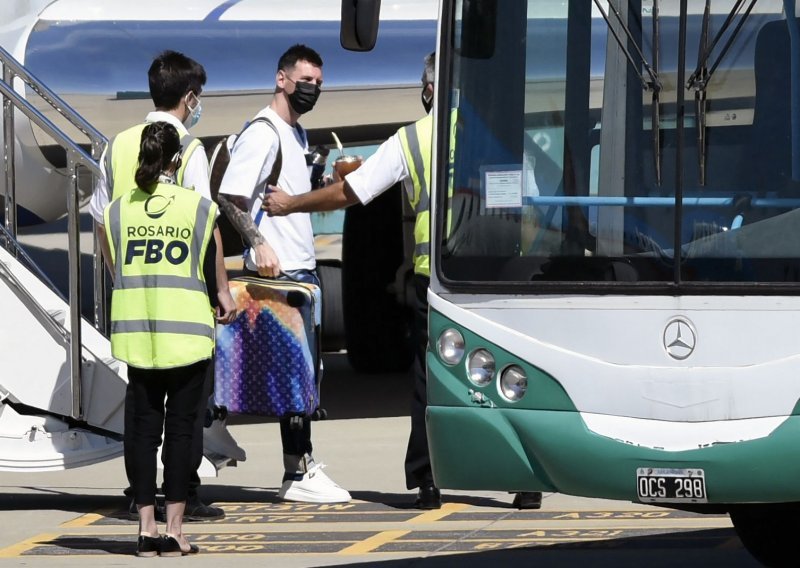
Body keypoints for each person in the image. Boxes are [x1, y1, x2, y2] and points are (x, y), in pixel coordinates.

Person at [263, 52, 544, 510]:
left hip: (434, 280)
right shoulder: (501, 133)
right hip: (494, 276)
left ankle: (427, 480)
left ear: (430, 89)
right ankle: (523, 480)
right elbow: (531, 207)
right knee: (504, 376)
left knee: (428, 380)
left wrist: (292, 203)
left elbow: (353, 191)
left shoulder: (412, 139)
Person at [89, 50, 235, 521]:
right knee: (185, 412)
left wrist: (121, 276)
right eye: (200, 98)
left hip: (134, 297)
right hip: (183, 302)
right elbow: (206, 224)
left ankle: (140, 496)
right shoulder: (187, 149)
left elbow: (101, 222)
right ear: (189, 97)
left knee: (142, 410)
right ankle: (183, 495)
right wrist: (222, 289)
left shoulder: (116, 145)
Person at [216, 44, 350, 504]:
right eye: (305, 80)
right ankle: (297, 470)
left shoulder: (296, 133)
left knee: (298, 374)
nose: (313, 88)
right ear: (281, 79)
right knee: (292, 374)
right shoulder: (264, 132)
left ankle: (219, 438)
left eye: (319, 82)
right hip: (281, 271)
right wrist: (258, 242)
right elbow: (230, 197)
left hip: (301, 269)